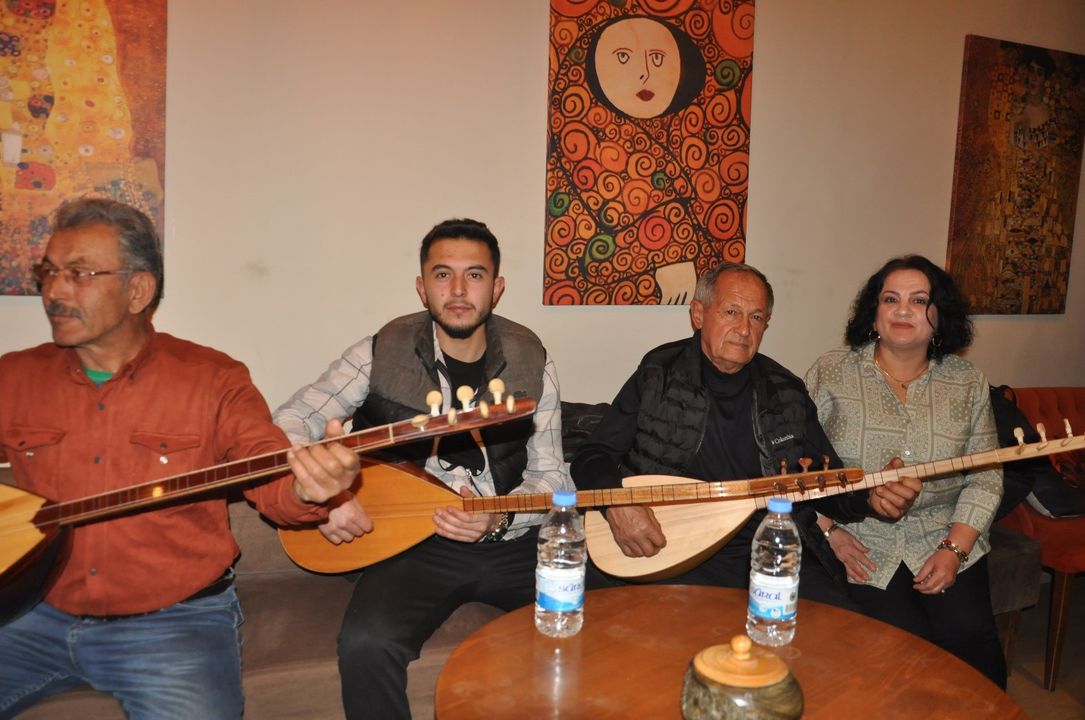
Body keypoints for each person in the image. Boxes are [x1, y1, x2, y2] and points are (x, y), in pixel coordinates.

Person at [0, 198, 360, 719]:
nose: (54, 292)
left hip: (173, 627)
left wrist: (311, 488)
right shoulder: (14, 378)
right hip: (34, 614)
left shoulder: (212, 379)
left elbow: (268, 473)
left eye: (78, 274)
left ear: (138, 290)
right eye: (49, 272)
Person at [273, 218, 572, 720]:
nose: (458, 290)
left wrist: (498, 518)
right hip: (412, 545)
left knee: (597, 616)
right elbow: (287, 422)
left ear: (496, 289)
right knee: (367, 643)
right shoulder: (379, 351)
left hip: (508, 540)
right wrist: (326, 494)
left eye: (474, 276)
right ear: (421, 286)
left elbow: (553, 475)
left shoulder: (531, 360)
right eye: (442, 275)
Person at [570, 261, 919, 606]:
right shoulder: (659, 373)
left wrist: (870, 498)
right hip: (671, 547)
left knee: (837, 632)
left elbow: (824, 483)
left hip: (767, 547)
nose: (743, 329)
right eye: (731, 312)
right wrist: (617, 504)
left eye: (756, 317)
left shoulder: (786, 393)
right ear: (698, 314)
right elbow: (592, 455)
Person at [804, 254, 1006, 687]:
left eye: (918, 300)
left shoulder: (968, 382)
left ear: (939, 317)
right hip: (860, 542)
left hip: (945, 534)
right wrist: (826, 532)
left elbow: (986, 473)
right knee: (901, 655)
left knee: (974, 652)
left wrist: (954, 550)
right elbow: (801, 464)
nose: (902, 309)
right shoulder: (830, 374)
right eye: (890, 298)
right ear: (873, 314)